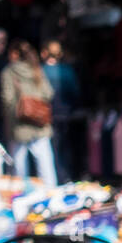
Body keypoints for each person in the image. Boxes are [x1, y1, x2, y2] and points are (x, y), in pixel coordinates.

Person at [1, 40, 57, 187]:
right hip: (40, 123)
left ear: (14, 54)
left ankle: (20, 198)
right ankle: (51, 197)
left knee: (19, 169)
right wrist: (36, 106)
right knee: (46, 167)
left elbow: (7, 100)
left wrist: (21, 109)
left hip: (20, 126)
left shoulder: (8, 72)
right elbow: (48, 93)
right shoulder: (36, 69)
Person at [40, 40, 81, 183]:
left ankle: (56, 177)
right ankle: (67, 176)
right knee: (65, 146)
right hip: (66, 112)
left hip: (48, 114)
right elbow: (75, 92)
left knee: (53, 148)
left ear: (44, 53)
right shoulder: (67, 70)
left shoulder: (40, 70)